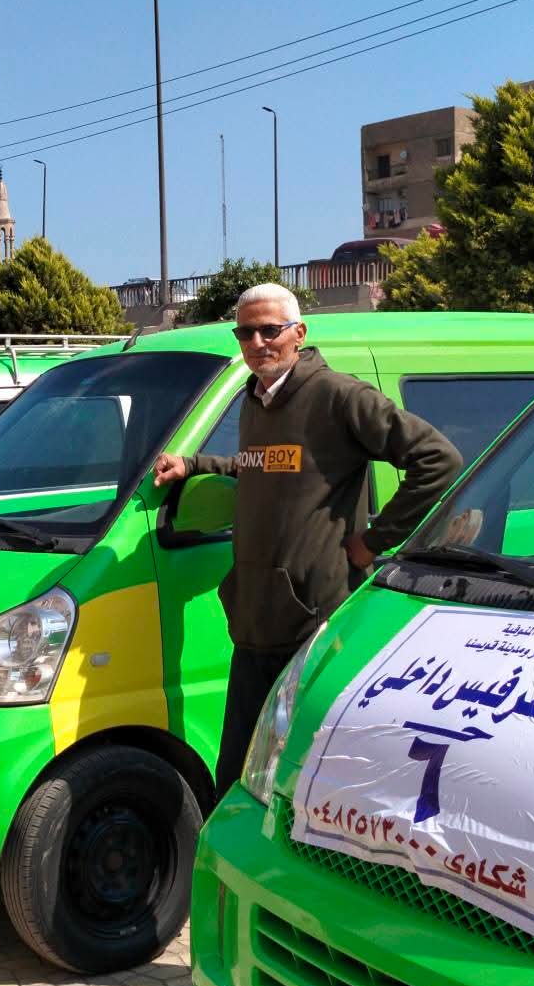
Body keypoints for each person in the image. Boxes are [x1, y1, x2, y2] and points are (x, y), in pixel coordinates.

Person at [153, 283, 463, 792]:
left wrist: (373, 542)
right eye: (245, 333)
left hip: (312, 624)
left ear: (299, 333)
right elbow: (258, 465)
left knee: (299, 782)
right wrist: (193, 464)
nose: (257, 343)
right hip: (255, 620)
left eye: (269, 330)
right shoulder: (255, 400)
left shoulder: (338, 396)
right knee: (239, 777)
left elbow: (439, 460)